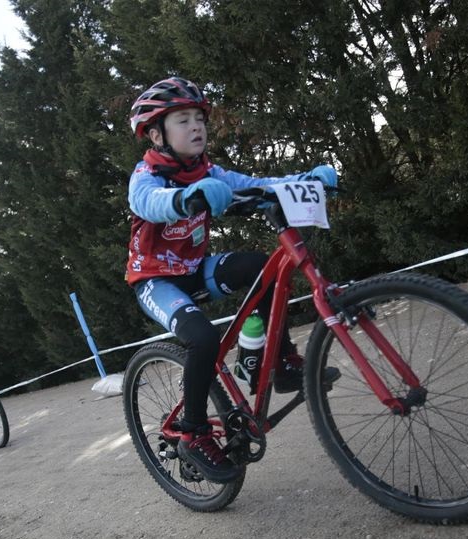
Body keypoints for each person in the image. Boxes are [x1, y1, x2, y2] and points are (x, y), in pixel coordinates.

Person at [125, 77, 340, 483]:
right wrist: (186, 198)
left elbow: (256, 186)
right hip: (155, 281)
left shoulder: (209, 170)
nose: (196, 126)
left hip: (194, 269)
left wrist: (304, 180)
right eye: (183, 119)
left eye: (199, 118)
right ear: (156, 135)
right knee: (203, 339)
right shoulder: (146, 175)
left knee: (263, 267)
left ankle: (283, 364)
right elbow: (148, 204)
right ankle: (193, 432)